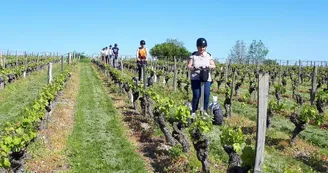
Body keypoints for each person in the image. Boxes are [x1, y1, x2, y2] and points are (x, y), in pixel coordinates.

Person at [187, 38, 216, 114]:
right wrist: (193, 67)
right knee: (196, 95)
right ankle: (194, 111)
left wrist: (209, 66)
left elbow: (213, 65)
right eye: (200, 47)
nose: (202, 48)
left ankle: (204, 111)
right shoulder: (193, 55)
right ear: (197, 47)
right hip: (195, 78)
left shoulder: (208, 55)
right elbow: (189, 66)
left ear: (205, 47)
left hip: (206, 78)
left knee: (206, 94)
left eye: (203, 47)